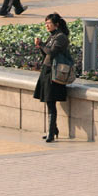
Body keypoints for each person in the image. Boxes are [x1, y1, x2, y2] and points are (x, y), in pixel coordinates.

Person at [33, 13, 71, 143]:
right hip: (47, 71)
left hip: (55, 73)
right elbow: (46, 53)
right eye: (45, 23)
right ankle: (52, 130)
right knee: (48, 102)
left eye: (48, 23)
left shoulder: (61, 37)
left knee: (51, 102)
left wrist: (42, 44)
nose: (46, 26)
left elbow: (52, 52)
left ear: (57, 24)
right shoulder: (52, 36)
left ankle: (51, 133)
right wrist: (40, 46)